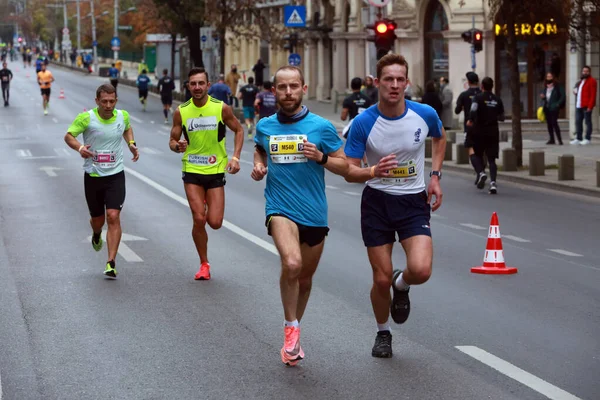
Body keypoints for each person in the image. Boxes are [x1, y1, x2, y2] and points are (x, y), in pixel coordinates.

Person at [344, 53, 446, 358]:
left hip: (413, 201)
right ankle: (383, 332)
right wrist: (373, 171)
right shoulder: (363, 123)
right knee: (380, 277)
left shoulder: (424, 114)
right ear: (377, 82)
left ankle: (402, 286)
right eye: (388, 79)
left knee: (421, 269)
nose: (394, 85)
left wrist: (436, 176)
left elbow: (439, 139)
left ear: (407, 82)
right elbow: (349, 169)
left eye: (400, 79)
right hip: (377, 202)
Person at [251, 65, 349, 367]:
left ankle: (294, 327)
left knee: (305, 278)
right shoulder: (265, 126)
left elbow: (343, 165)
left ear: (303, 89)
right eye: (282, 87)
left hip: (315, 213)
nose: (288, 92)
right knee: (291, 262)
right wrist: (258, 165)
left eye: (294, 86)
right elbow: (260, 149)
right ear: (274, 91)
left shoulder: (321, 127)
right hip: (279, 207)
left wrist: (321, 157)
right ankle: (290, 329)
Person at [168, 67, 244, 280]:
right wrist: (177, 146)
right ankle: (204, 264)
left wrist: (235, 157)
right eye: (193, 84)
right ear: (188, 86)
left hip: (215, 170)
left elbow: (239, 130)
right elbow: (172, 141)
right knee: (199, 219)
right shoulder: (181, 111)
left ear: (208, 85)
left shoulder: (221, 108)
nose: (197, 87)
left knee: (215, 222)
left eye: (201, 83)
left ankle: (207, 205)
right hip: (191, 169)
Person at [63, 84, 140, 278]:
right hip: (93, 176)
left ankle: (111, 262)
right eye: (104, 101)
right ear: (97, 101)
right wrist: (80, 148)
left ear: (116, 100)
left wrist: (131, 144)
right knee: (97, 221)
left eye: (112, 101)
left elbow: (127, 128)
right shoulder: (86, 118)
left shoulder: (122, 116)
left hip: (115, 175)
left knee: (113, 216)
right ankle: (97, 234)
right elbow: (68, 136)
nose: (108, 105)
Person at [467, 77, 504, 194]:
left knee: (477, 154)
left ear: (482, 86)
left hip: (480, 130)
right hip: (493, 131)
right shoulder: (497, 100)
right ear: (492, 86)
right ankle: (493, 183)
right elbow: (502, 116)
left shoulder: (477, 98)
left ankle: (482, 173)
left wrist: (471, 120)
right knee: (492, 159)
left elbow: (473, 111)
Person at [455, 72, 482, 180]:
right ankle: (481, 172)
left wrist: (462, 107)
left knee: (471, 149)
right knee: (481, 150)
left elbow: (456, 110)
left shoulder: (464, 95)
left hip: (469, 125)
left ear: (468, 82)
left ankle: (480, 172)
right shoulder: (481, 93)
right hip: (482, 125)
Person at [572, 65, 597, 145]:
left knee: (587, 122)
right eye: (584, 71)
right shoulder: (580, 81)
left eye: (586, 71)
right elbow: (579, 92)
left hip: (586, 105)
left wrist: (590, 106)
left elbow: (593, 95)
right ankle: (578, 138)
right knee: (578, 122)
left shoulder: (592, 81)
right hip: (579, 104)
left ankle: (587, 138)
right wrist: (575, 92)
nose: (585, 72)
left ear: (589, 72)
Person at [540, 71, 565, 145]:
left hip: (554, 108)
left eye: (550, 76)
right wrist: (543, 97)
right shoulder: (546, 86)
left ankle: (559, 140)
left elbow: (562, 96)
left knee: (554, 123)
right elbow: (546, 96)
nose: (549, 78)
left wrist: (557, 104)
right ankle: (552, 139)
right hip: (547, 107)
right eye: (547, 77)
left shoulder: (558, 86)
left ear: (553, 77)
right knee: (549, 124)